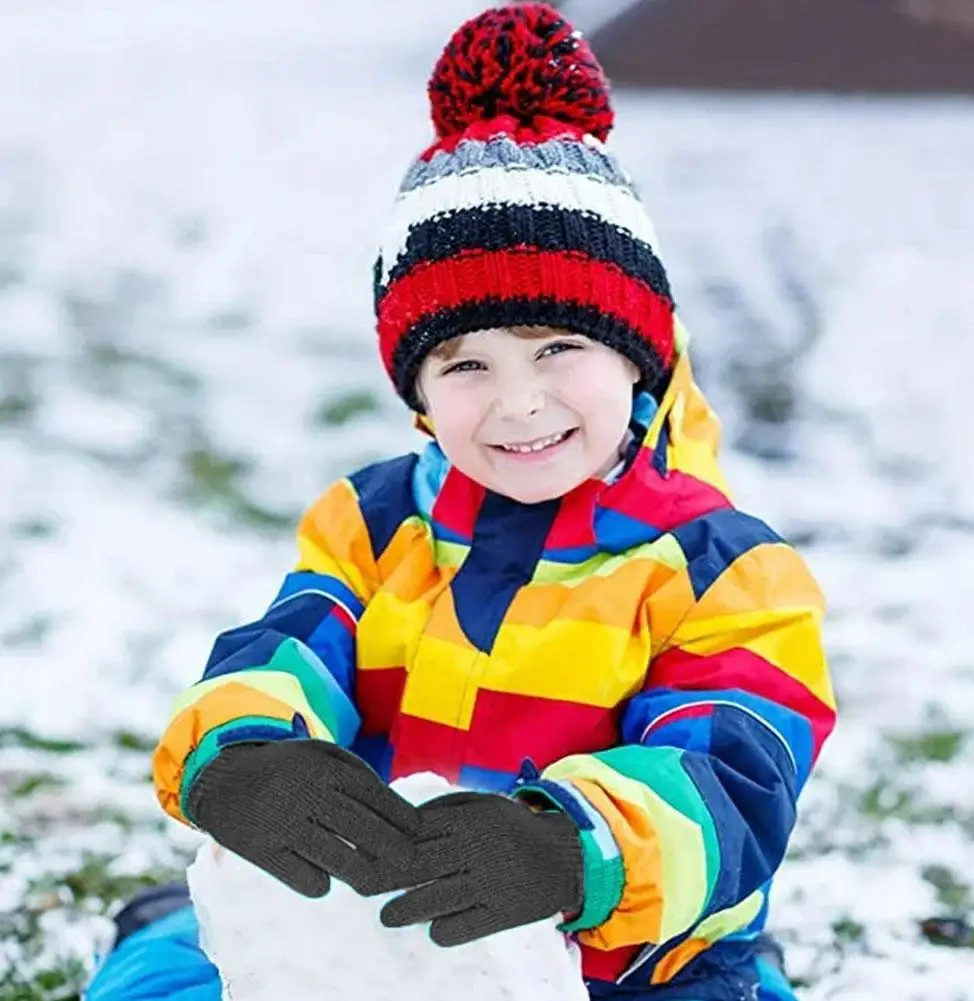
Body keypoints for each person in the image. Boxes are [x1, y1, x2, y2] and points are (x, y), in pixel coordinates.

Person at [86, 4, 836, 999]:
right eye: (466, 362)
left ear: (637, 352)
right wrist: (243, 754)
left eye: (558, 348)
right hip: (378, 930)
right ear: (416, 389)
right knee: (157, 981)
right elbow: (283, 651)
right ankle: (165, 923)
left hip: (625, 960)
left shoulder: (724, 568)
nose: (518, 400)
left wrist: (568, 847)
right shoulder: (373, 522)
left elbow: (733, 775)